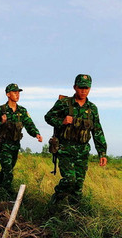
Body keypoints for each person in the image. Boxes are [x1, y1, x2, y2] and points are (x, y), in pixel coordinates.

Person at [44, 74, 108, 208]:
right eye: (81, 87)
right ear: (75, 87)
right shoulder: (64, 103)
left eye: (87, 88)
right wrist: (61, 122)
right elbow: (48, 117)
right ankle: (55, 202)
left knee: (78, 185)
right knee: (69, 179)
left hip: (82, 151)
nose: (84, 91)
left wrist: (102, 152)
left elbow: (97, 130)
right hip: (65, 148)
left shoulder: (92, 109)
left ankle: (74, 214)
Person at [0, 83, 43, 199]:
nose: (17, 94)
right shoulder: (0, 110)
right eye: (14, 92)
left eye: (18, 92)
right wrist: (1, 123)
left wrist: (36, 134)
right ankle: (6, 196)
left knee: (7, 169)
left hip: (15, 145)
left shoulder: (22, 111)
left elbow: (29, 124)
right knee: (8, 172)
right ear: (8, 94)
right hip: (4, 145)